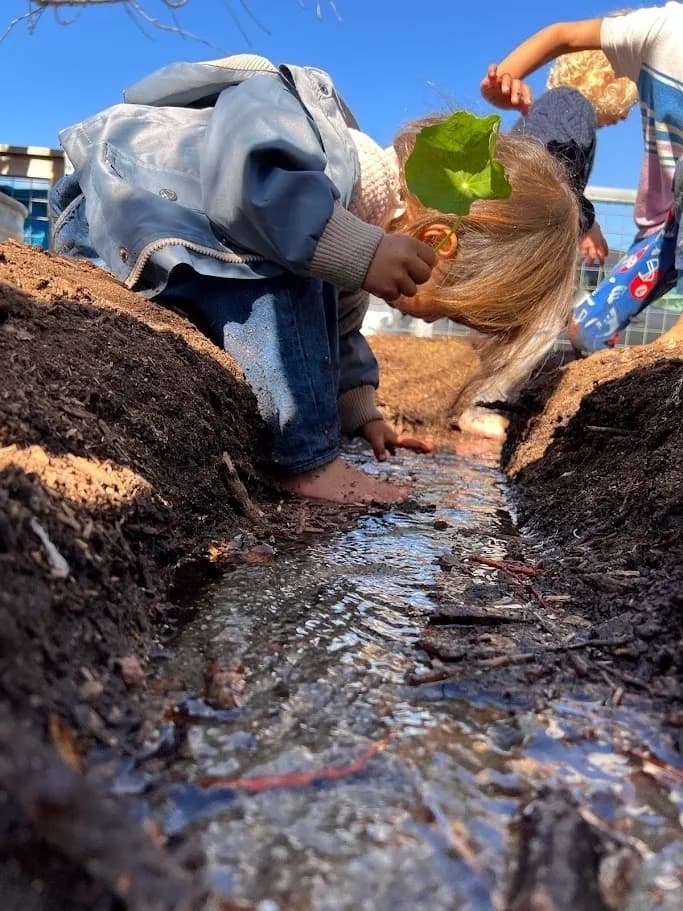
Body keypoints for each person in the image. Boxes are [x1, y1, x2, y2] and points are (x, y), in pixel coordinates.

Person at [50, 53, 579, 503]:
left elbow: (340, 329)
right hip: (108, 210)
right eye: (442, 307)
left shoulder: (343, 241)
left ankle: (319, 438)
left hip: (160, 241)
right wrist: (354, 249)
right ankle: (308, 465)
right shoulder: (318, 148)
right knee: (294, 267)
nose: (425, 319)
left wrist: (362, 412)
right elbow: (249, 183)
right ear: (438, 242)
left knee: (309, 271)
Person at [480, 2, 683, 354]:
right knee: (586, 329)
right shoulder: (663, 28)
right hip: (668, 230)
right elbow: (563, 35)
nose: (624, 117)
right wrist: (505, 79)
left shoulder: (565, 109)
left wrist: (585, 221)